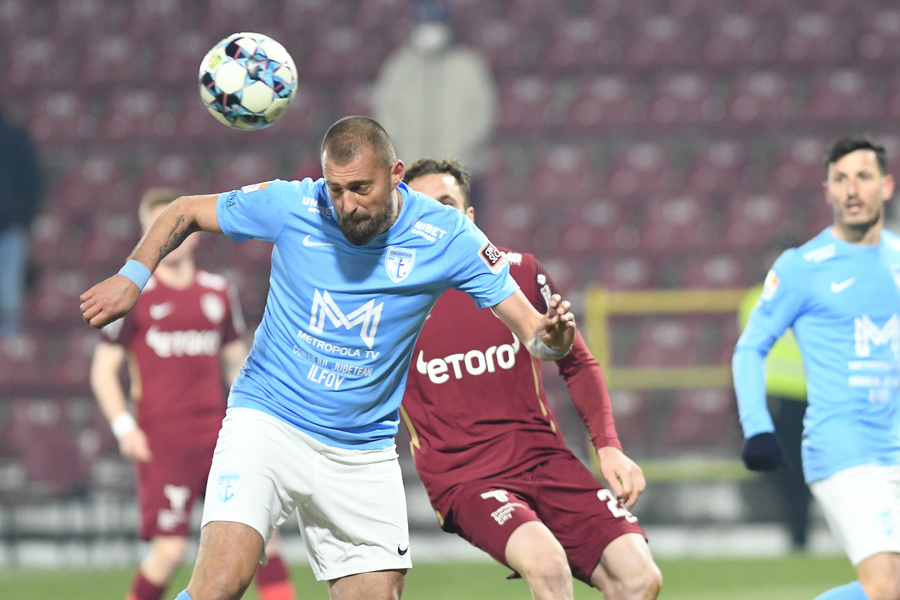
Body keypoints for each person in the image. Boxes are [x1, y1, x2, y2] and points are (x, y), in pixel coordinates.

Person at [79, 116, 576, 600]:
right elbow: (184, 209)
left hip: (361, 450)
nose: (347, 204)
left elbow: (536, 336)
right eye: (336, 190)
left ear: (396, 174)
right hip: (268, 422)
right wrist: (133, 276)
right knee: (220, 583)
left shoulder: (447, 235)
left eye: (361, 187)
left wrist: (553, 338)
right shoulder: (293, 204)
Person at [400, 157, 661, 600]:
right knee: (547, 565)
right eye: (422, 208)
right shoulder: (388, 297)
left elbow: (576, 363)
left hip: (544, 458)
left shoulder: (519, 272)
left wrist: (610, 449)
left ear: (468, 216)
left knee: (639, 579)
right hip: (466, 478)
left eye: (446, 204)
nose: (436, 217)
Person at [89, 189, 296, 600]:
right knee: (168, 552)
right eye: (153, 228)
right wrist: (123, 426)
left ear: (192, 232)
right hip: (163, 442)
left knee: (263, 542)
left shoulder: (218, 292)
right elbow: (103, 371)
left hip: (220, 439)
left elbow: (239, 365)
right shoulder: (136, 298)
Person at [733, 135, 900, 600]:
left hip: (896, 444)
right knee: (886, 587)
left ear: (885, 186)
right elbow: (749, 349)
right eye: (840, 179)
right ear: (827, 192)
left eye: (863, 177)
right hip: (843, 447)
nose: (852, 189)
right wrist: (757, 427)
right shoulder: (803, 267)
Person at [373, 1, 497, 181]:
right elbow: (385, 112)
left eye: (435, 24)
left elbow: (483, 112)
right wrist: (399, 148)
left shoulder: (469, 66)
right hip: (410, 168)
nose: (429, 31)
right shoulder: (398, 67)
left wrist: (463, 147)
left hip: (458, 169)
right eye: (425, 24)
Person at [737, 277, 811, 551]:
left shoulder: (756, 299)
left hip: (786, 396)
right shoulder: (809, 296)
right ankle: (798, 528)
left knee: (791, 468)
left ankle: (798, 530)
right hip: (786, 395)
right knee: (791, 468)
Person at [0, 111, 43, 336]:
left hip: (8, 232)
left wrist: (23, 220)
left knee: (8, 303)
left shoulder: (12, 137)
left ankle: (8, 363)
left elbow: (32, 182)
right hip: (11, 230)